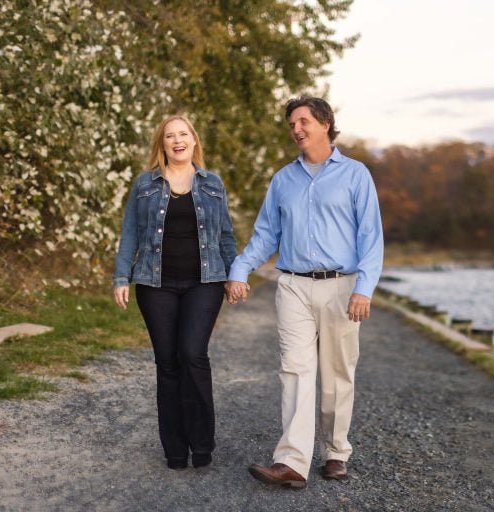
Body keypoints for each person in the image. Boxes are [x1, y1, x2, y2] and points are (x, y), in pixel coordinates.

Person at [226, 95, 383, 488]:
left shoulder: (355, 175)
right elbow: (266, 236)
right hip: (293, 284)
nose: (296, 129)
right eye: (291, 124)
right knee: (294, 371)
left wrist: (364, 288)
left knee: (337, 373)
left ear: (325, 123)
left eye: (303, 121)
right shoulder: (283, 180)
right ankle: (292, 461)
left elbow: (371, 237)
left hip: (341, 286)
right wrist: (240, 268)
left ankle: (335, 452)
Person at [112, 115, 237, 470]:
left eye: (183, 134)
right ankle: (175, 450)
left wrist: (235, 273)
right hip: (156, 285)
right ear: (162, 144)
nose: (177, 140)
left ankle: (202, 443)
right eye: (170, 136)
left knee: (192, 354)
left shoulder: (212, 183)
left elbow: (225, 234)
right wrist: (121, 277)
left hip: (205, 281)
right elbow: (131, 234)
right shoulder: (145, 184)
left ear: (194, 141)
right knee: (167, 363)